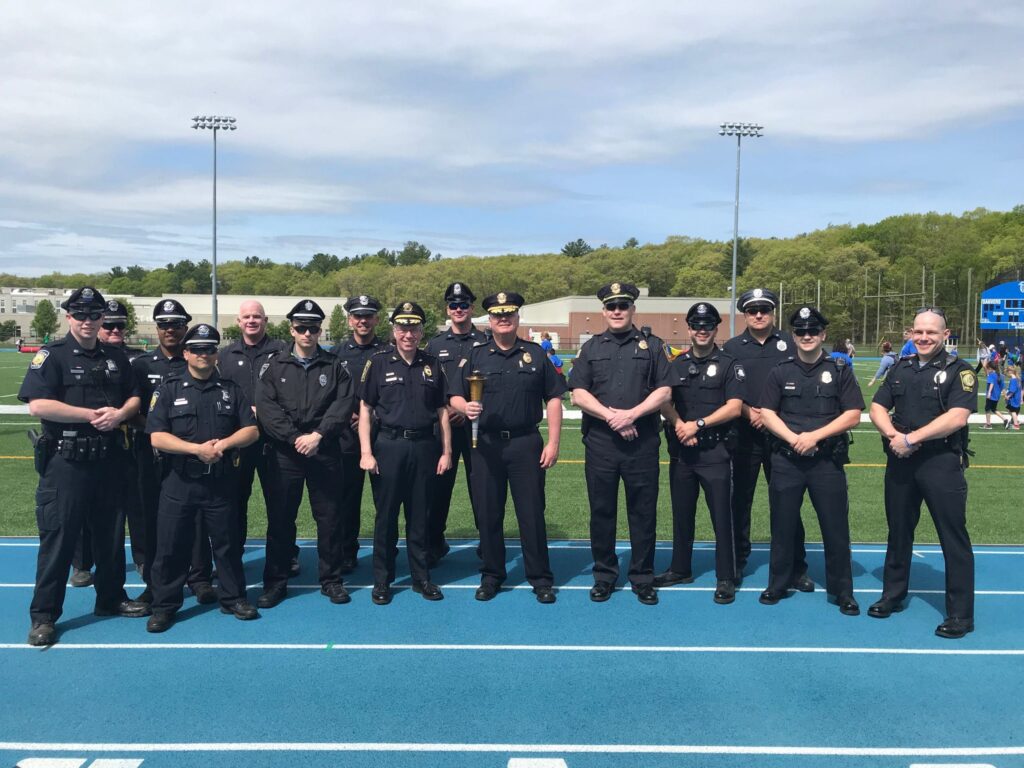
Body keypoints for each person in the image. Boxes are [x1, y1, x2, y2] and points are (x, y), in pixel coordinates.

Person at [19, 286, 149, 646]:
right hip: (67, 462)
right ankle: (44, 616)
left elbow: (135, 394)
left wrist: (122, 413)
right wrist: (91, 416)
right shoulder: (53, 356)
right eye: (81, 315)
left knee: (110, 538)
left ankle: (110, 599)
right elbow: (38, 405)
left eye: (95, 315)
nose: (89, 321)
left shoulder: (115, 356)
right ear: (68, 317)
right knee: (58, 541)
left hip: (109, 460)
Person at [449, 291, 566, 604]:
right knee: (488, 514)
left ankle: (540, 578)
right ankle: (492, 575)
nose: (503, 319)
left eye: (509, 314)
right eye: (497, 315)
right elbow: (455, 394)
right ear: (490, 319)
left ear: (517, 318)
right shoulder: (476, 354)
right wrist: (464, 408)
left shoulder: (536, 354)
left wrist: (553, 442)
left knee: (531, 514)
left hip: (526, 443)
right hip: (485, 445)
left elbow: (554, 398)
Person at [868, 307, 976, 639]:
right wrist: (892, 437)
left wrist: (911, 438)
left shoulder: (960, 371)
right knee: (898, 530)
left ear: (946, 335)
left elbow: (957, 417)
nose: (924, 337)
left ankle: (960, 614)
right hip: (901, 459)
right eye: (918, 332)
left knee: (952, 537)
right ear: (910, 334)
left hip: (940, 461)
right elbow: (876, 407)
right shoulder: (901, 367)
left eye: (931, 332)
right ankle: (893, 595)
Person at [145, 323, 260, 632]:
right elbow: (156, 437)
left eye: (210, 349)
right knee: (171, 547)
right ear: (186, 353)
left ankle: (234, 598)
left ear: (216, 354)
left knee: (227, 544)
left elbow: (251, 430)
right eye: (197, 349)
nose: (203, 355)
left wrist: (223, 445)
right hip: (179, 482)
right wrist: (195, 450)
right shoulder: (169, 389)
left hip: (220, 482)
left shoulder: (230, 390)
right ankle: (164, 606)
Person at [568, 282, 671, 605]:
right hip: (600, 443)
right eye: (611, 306)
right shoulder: (592, 348)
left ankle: (642, 577)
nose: (616, 311)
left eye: (622, 306)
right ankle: (604, 575)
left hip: (642, 443)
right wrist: (612, 417)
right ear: (603, 311)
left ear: (632, 310)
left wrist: (633, 414)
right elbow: (578, 393)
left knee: (643, 512)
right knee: (602, 511)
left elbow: (665, 391)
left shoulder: (653, 346)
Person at [757, 306, 863, 616]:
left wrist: (814, 437)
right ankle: (778, 583)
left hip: (826, 461)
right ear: (793, 336)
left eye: (813, 331)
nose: (807, 336)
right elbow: (767, 413)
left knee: (835, 528)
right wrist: (794, 439)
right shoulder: (781, 370)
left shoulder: (840, 369)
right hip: (787, 459)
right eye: (801, 332)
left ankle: (843, 591)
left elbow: (853, 414)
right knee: (783, 525)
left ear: (823, 335)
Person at [254, 300, 356, 608]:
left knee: (329, 518)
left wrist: (318, 435)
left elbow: (343, 405)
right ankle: (276, 581)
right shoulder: (274, 366)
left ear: (320, 330)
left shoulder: (335, 365)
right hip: (286, 453)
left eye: (313, 328)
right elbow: (267, 409)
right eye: (301, 328)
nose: (307, 333)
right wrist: (295, 437)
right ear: (291, 329)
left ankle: (331, 580)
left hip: (324, 451)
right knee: (281, 519)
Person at [359, 301, 452, 604]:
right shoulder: (379, 362)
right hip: (388, 446)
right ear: (394, 330)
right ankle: (382, 580)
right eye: (402, 327)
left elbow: (442, 412)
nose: (408, 333)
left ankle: (421, 577)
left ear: (422, 330)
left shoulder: (433, 364)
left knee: (420, 516)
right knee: (386, 517)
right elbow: (366, 409)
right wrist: (366, 452)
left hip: (425, 446)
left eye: (413, 327)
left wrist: (446, 451)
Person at [723, 288, 811, 589]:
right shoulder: (732, 347)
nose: (758, 315)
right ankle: (735, 566)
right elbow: (728, 390)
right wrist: (751, 413)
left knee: (787, 504)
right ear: (744, 314)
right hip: (743, 437)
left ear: (773, 312)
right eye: (752, 310)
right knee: (739, 504)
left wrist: (772, 418)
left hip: (784, 437)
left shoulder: (791, 342)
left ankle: (796, 568)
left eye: (764, 309)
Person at [657, 302, 744, 604]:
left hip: (716, 451)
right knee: (682, 514)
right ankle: (680, 568)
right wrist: (680, 425)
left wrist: (698, 425)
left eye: (707, 325)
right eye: (696, 325)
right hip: (683, 452)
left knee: (722, 516)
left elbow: (734, 407)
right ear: (689, 328)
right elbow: (665, 400)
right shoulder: (676, 364)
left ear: (716, 328)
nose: (702, 330)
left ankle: (726, 576)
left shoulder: (730, 364)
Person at [132, 299, 214, 604]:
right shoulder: (141, 365)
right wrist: (160, 431)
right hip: (150, 454)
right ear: (157, 327)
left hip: (189, 456)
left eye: (177, 325)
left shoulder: (194, 360)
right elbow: (133, 409)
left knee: (197, 518)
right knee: (155, 520)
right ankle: (157, 582)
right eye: (165, 324)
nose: (170, 330)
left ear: (185, 327)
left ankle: (200, 577)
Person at [71, 299, 146, 587]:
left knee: (137, 505)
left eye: (120, 325)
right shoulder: (87, 355)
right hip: (92, 441)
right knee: (86, 505)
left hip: (131, 442)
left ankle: (142, 558)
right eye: (110, 324)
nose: (115, 330)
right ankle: (82, 563)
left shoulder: (136, 359)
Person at [217, 300, 288, 557]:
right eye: (246, 316)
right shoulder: (225, 356)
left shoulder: (283, 351)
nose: (251, 320)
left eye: (257, 316)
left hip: (275, 440)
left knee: (279, 504)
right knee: (234, 502)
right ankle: (232, 556)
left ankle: (284, 556)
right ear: (238, 322)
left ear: (265, 320)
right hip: (239, 441)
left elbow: (292, 392)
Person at [424, 282, 486, 565]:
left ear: (471, 308)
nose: (458, 310)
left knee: (482, 488)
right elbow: (428, 385)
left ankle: (488, 543)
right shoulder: (435, 345)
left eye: (463, 305)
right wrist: (449, 407)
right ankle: (434, 542)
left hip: (477, 426)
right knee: (437, 489)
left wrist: (467, 408)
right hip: (443, 427)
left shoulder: (485, 341)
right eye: (453, 305)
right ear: (447, 309)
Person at [332, 295, 388, 573]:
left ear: (377, 319)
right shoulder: (336, 354)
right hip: (346, 436)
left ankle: (384, 553)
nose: (363, 320)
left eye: (368, 316)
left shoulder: (389, 351)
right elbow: (328, 393)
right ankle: (346, 552)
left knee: (386, 500)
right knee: (346, 500)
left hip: (384, 436)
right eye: (357, 316)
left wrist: (374, 414)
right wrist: (347, 415)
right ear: (350, 319)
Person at [981, 360, 1007, 429]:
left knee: (987, 409)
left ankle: (988, 424)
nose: (986, 370)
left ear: (990, 368)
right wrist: (1005, 395)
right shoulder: (1000, 375)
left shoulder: (991, 375)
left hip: (991, 396)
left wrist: (989, 393)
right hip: (997, 396)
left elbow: (991, 384)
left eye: (987, 368)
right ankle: (1005, 419)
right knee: (993, 409)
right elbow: (1003, 387)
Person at [1005, 364, 1022, 430]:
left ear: (1010, 372)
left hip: (1013, 398)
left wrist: (1008, 396)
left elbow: (1012, 390)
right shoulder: (1017, 379)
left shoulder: (1013, 380)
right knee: (1010, 410)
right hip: (1017, 398)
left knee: (1013, 411)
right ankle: (1016, 421)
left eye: (1007, 372)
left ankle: (1016, 425)